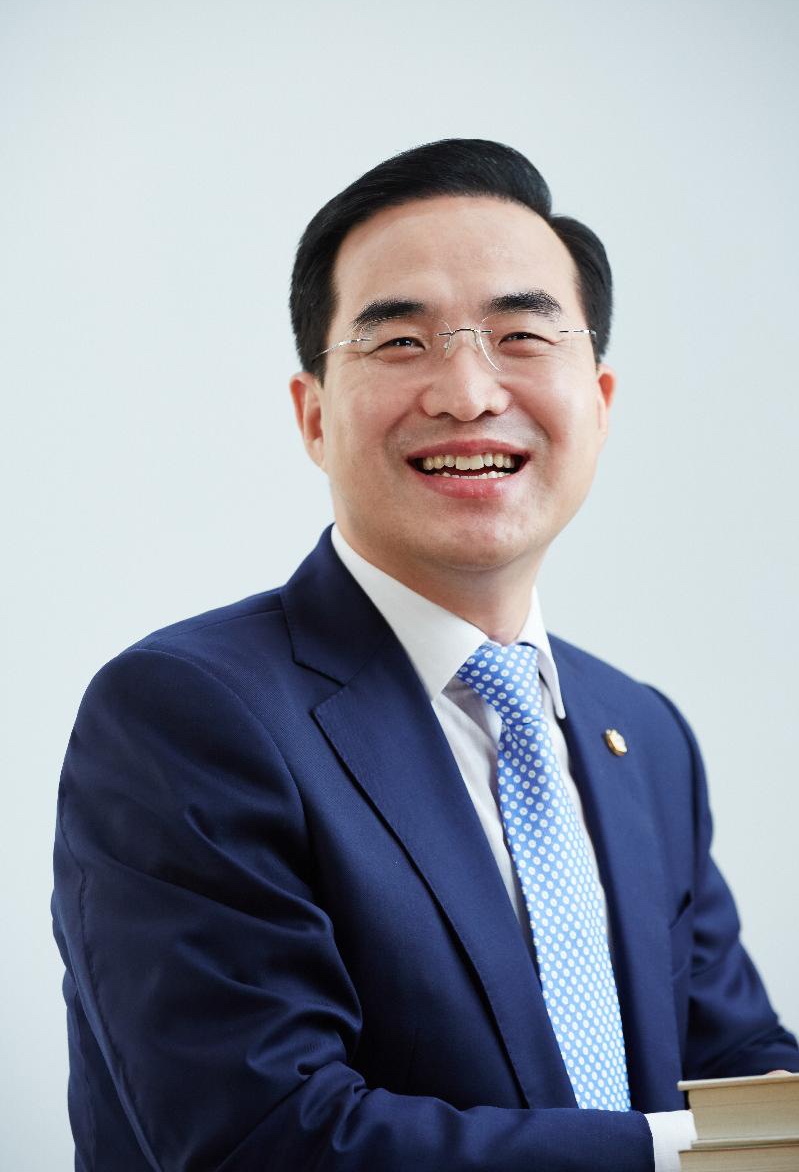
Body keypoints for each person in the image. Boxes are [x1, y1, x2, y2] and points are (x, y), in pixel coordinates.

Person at [52, 138, 799, 1172]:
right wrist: (678, 1155)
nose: (467, 392)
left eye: (521, 334)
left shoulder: (642, 732)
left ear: (599, 403)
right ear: (313, 415)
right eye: (400, 342)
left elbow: (736, 1069)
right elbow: (268, 1139)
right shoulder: (186, 714)